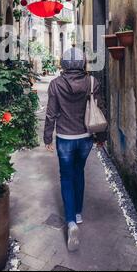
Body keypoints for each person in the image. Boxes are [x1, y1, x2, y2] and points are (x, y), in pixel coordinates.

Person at [44, 47, 107, 252]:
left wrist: (47, 138)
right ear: (82, 63)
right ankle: (78, 213)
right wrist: (101, 137)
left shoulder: (56, 84)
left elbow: (51, 114)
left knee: (66, 177)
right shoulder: (92, 82)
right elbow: (100, 109)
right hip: (85, 138)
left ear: (63, 63)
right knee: (79, 172)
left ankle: (70, 221)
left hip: (65, 139)